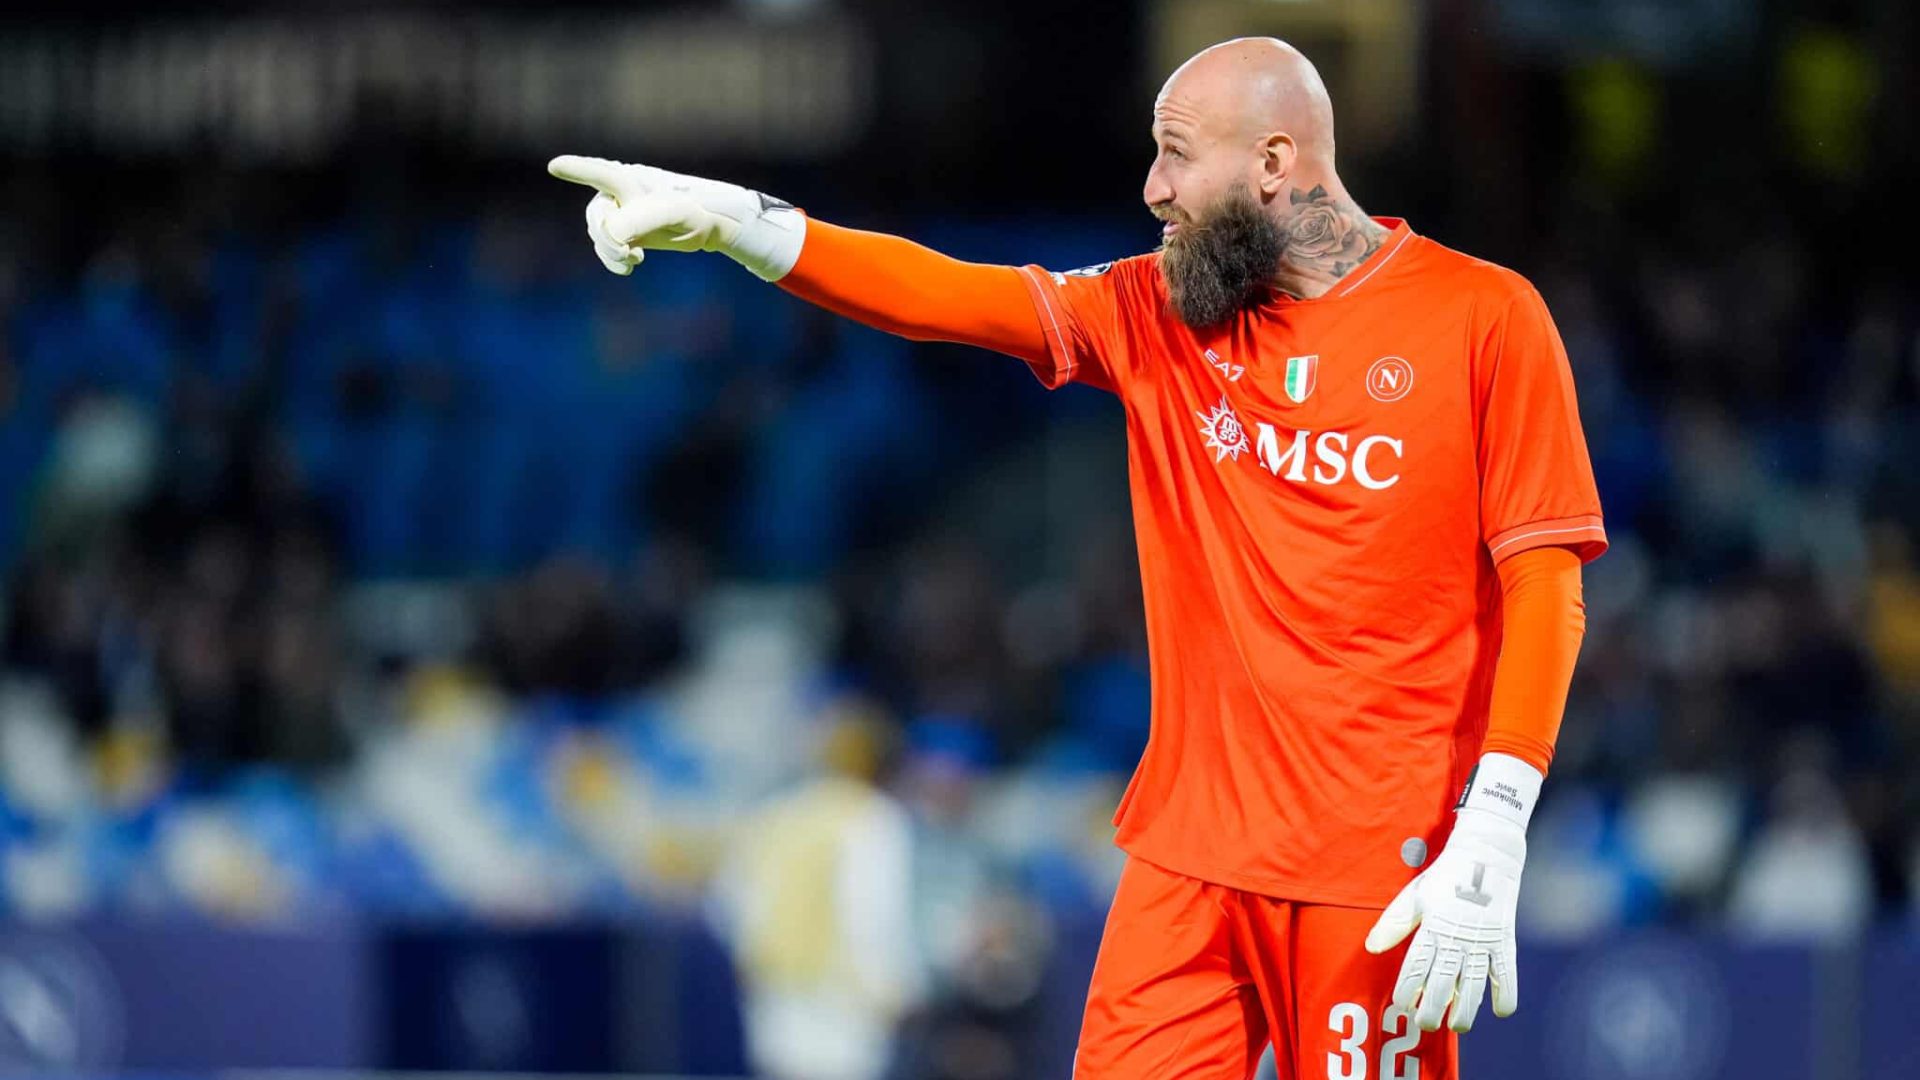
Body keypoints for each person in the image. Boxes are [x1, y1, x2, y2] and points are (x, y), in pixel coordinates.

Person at [550, 35, 1601, 1080]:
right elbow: (953, 297)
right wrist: (747, 226)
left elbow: (1546, 588)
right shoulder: (1161, 313)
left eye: (1178, 154)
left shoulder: (1486, 319)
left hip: (1377, 874)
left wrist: (1495, 829)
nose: (1153, 188)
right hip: (1186, 865)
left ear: (1275, 164)